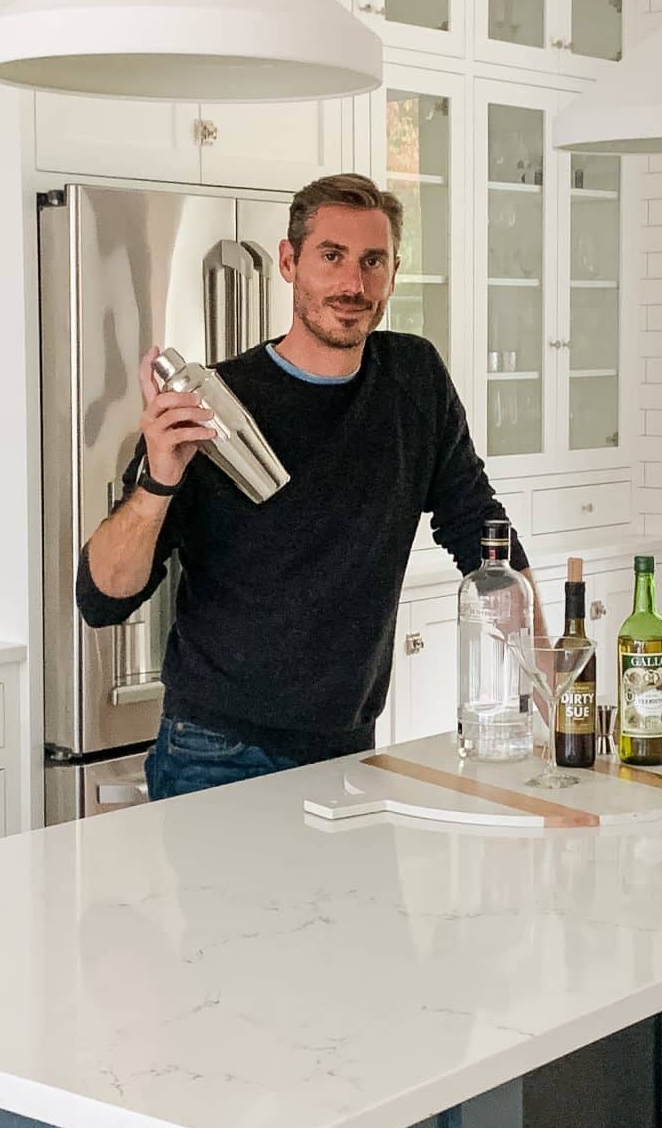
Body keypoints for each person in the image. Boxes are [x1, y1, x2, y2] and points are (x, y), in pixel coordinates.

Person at [77, 171, 528, 800]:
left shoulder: (413, 379)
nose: (353, 283)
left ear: (394, 271)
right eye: (332, 257)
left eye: (373, 262)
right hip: (217, 752)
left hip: (348, 747)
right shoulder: (213, 408)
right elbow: (103, 599)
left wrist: (541, 663)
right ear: (289, 262)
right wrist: (159, 479)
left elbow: (478, 524)